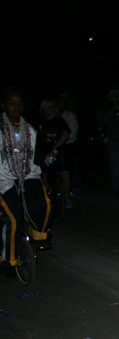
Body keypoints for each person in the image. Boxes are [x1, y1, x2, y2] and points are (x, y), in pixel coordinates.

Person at [0, 89, 52, 282]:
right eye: (12, 103)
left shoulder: (30, 130)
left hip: (27, 175)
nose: (16, 107)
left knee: (43, 202)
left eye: (20, 103)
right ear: (4, 105)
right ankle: (8, 262)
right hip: (3, 179)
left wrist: (47, 161)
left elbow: (37, 156)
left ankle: (37, 234)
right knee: (12, 218)